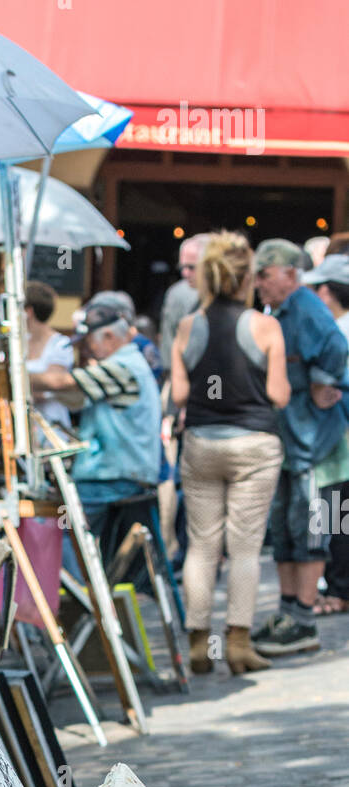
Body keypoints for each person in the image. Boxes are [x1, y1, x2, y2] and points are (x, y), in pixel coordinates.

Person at [171, 232, 289, 675]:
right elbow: (278, 394)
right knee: (244, 548)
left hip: (202, 442)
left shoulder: (189, 326)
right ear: (247, 279)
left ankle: (200, 643)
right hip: (255, 444)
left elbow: (180, 393)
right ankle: (238, 644)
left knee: (201, 546)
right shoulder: (266, 326)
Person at [251, 239, 348, 656]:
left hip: (317, 444)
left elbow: (336, 348)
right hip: (295, 441)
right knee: (288, 528)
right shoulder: (282, 311)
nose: (258, 283)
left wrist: (325, 381)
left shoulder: (305, 306)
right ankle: (289, 612)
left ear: (291, 274)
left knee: (314, 528)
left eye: (265, 275)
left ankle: (304, 620)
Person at [47, 300, 162, 542]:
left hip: (113, 476)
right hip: (124, 473)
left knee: (62, 532)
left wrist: (20, 374)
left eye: (89, 341)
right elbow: (75, 397)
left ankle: (69, 580)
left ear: (108, 336)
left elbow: (61, 383)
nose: (87, 350)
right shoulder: (130, 363)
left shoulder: (122, 366)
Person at [302, 253, 349, 614]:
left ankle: (338, 589)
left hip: (337, 438)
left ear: (328, 292)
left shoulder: (338, 333)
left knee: (333, 514)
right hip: (337, 436)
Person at [24, 280, 75, 431]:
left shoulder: (60, 344)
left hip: (50, 424)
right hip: (27, 424)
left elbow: (52, 383)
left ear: (29, 311)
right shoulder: (21, 343)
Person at [160, 233, 211, 364]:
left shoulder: (227, 293)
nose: (185, 273)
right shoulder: (177, 294)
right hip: (186, 370)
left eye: (191, 267)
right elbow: (169, 339)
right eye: (182, 267)